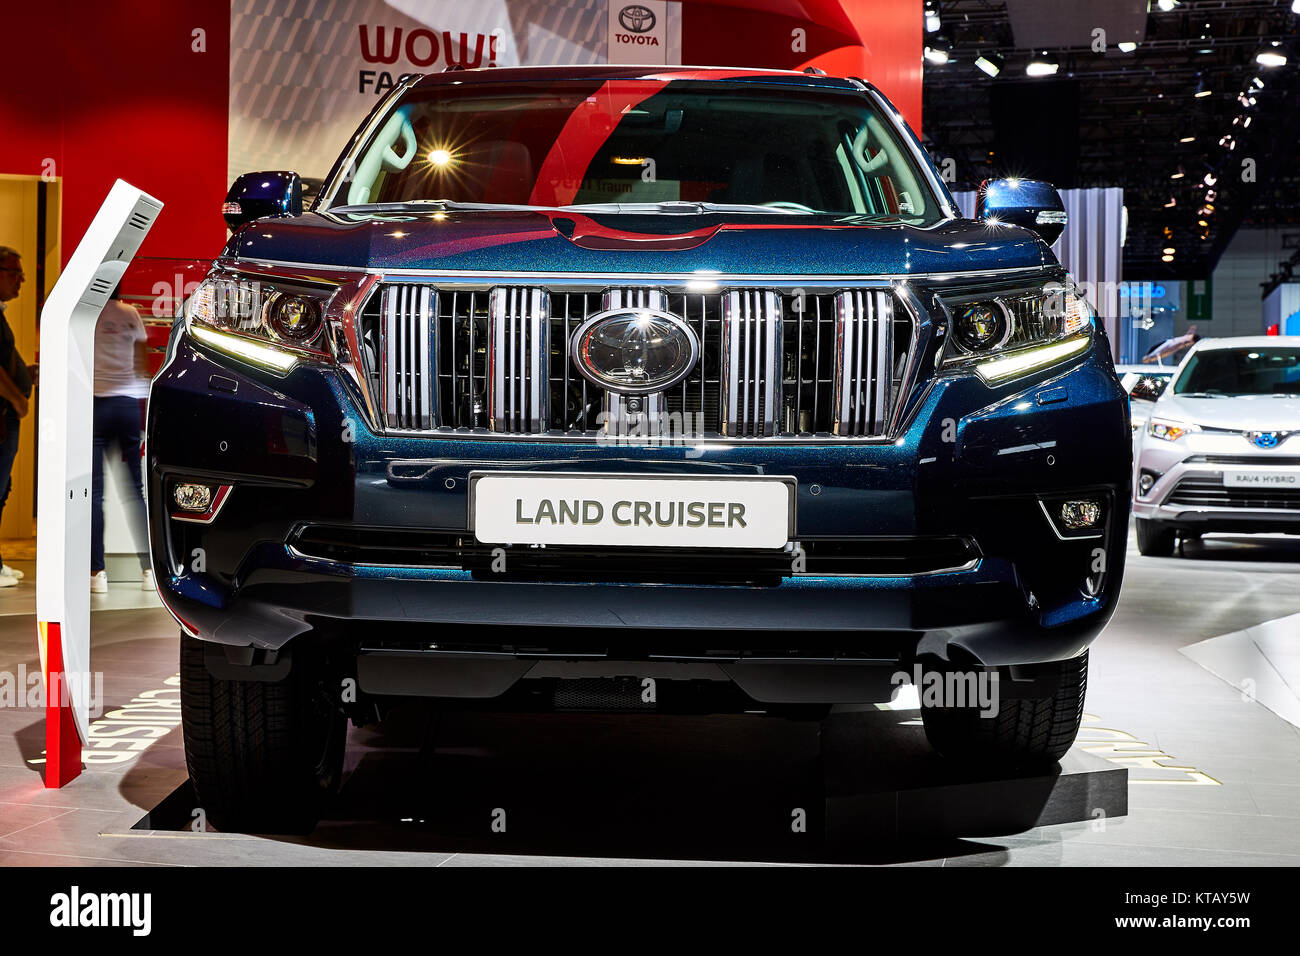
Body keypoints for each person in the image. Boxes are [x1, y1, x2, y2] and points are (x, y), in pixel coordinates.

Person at [90, 284, 153, 593]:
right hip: (127, 406)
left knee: (95, 494)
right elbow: (141, 365)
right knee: (136, 493)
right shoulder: (131, 313)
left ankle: (97, 572)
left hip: (97, 406)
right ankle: (148, 570)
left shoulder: (89, 316)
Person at [0, 246, 36, 588]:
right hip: (2, 417)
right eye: (14, 273)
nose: (21, 280)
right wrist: (19, 400)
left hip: (6, 415)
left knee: (2, 490)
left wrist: (25, 374)